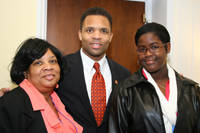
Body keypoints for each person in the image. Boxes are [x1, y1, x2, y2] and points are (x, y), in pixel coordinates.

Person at [108, 22, 200, 133]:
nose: (148, 54)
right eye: (142, 49)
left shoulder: (191, 89)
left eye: (154, 47)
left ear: (168, 47)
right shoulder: (125, 91)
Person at [56, 7, 131, 133]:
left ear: (111, 36)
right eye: (90, 30)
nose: (97, 36)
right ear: (80, 34)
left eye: (104, 31)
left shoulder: (124, 74)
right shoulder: (61, 68)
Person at [0, 38, 83, 133]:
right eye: (38, 63)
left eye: (52, 61)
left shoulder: (58, 97)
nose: (48, 67)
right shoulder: (10, 104)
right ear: (25, 72)